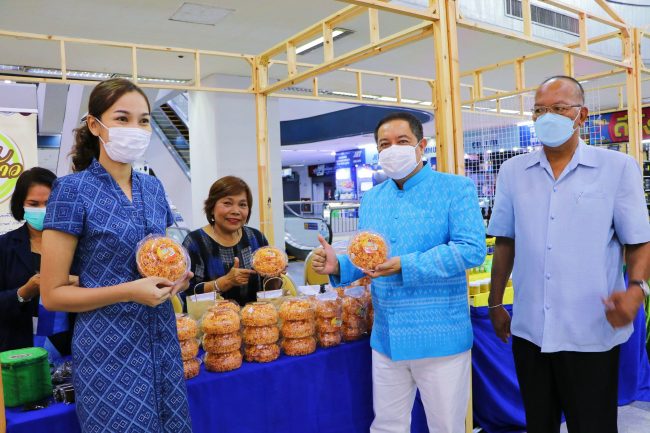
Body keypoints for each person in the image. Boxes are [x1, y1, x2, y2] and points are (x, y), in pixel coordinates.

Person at [487, 75, 650, 433]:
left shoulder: (617, 169)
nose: (548, 117)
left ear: (582, 116)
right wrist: (495, 302)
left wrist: (636, 290)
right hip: (531, 329)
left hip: (590, 329)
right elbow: (506, 241)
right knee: (539, 424)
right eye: (540, 110)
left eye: (558, 109)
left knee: (592, 424)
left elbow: (639, 241)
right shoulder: (514, 171)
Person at [312, 112, 486, 433]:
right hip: (387, 337)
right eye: (384, 144)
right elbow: (370, 258)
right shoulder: (372, 199)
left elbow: (471, 249)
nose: (393, 149)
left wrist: (407, 264)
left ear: (421, 146)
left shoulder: (455, 189)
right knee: (387, 426)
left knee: (445, 426)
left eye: (402, 142)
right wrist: (340, 265)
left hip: (440, 337)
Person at [40, 78, 193, 433]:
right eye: (122, 119)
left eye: (143, 120)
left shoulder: (153, 187)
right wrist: (130, 290)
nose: (135, 129)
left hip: (162, 342)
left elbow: (162, 255)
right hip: (108, 351)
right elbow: (52, 293)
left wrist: (175, 281)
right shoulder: (71, 190)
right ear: (95, 125)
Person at [0, 167, 76, 354]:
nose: (43, 210)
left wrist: (78, 281)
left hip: (72, 348)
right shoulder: (5, 246)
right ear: (20, 205)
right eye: (34, 204)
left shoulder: (78, 244)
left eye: (49, 203)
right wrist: (24, 292)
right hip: (20, 351)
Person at [182, 176, 277, 306]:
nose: (236, 211)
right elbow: (186, 291)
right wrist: (224, 282)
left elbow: (269, 291)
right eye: (227, 203)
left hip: (254, 320)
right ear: (211, 207)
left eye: (242, 205)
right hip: (210, 321)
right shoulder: (195, 242)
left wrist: (274, 276)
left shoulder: (256, 238)